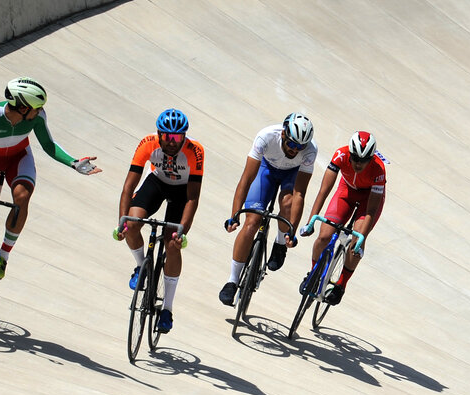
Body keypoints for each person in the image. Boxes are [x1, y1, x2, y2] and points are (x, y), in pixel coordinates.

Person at [0, 77, 100, 288]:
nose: (40, 111)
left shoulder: (37, 117)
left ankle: (3, 257)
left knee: (22, 197)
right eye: (37, 107)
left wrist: (73, 163)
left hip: (19, 158)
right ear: (23, 107)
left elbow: (49, 144)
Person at [117, 108, 204, 333]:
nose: (172, 142)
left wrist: (182, 231)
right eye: (167, 136)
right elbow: (128, 186)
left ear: (184, 136)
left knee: (172, 244)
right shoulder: (148, 144)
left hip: (182, 192)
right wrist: (122, 221)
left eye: (177, 137)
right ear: (159, 134)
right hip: (156, 183)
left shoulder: (195, 151)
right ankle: (141, 267)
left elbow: (193, 198)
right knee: (132, 224)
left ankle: (167, 309)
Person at [219, 113, 317, 306]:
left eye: (300, 147)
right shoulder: (266, 136)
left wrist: (291, 232)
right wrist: (234, 215)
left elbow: (299, 194)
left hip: (292, 175)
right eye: (292, 144)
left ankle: (279, 244)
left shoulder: (310, 151)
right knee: (251, 223)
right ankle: (232, 280)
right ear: (283, 134)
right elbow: (246, 179)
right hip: (266, 170)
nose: (295, 150)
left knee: (287, 203)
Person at [299, 130, 386, 306]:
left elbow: (371, 210)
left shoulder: (379, 169)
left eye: (364, 160)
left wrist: (361, 238)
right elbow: (324, 191)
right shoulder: (341, 154)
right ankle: (313, 273)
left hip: (368, 199)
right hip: (346, 192)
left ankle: (340, 285)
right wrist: (310, 222)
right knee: (324, 236)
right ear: (350, 154)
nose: (358, 163)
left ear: (371, 158)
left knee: (356, 243)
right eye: (355, 158)